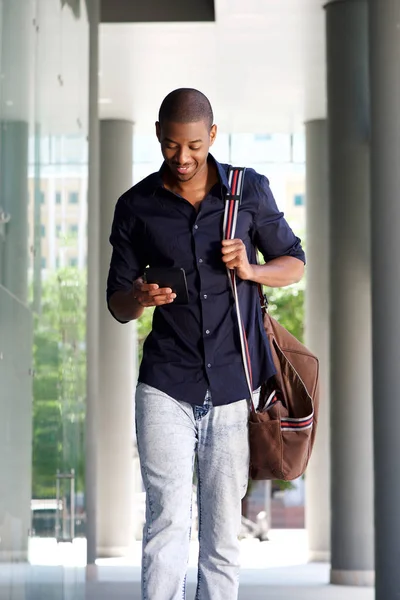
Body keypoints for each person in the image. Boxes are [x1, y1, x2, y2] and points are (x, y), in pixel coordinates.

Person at [106, 88, 305, 600]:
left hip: (233, 388)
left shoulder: (248, 191)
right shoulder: (136, 206)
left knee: (221, 536)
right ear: (158, 135)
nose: (183, 158)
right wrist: (139, 296)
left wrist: (252, 268)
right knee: (166, 524)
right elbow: (116, 304)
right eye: (172, 146)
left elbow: (295, 262)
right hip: (165, 386)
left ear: (212, 136)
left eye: (194, 145)